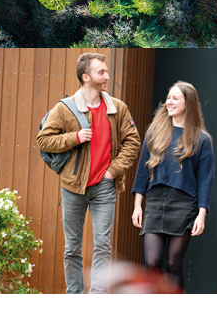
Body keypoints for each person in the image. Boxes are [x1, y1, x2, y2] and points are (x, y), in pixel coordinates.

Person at [37, 53, 142, 294]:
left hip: (104, 186)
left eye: (106, 71)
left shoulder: (118, 108)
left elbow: (133, 141)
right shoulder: (65, 109)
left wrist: (113, 170)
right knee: (72, 248)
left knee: (103, 246)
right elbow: (44, 140)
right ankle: (74, 296)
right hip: (73, 186)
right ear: (86, 77)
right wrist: (74, 137)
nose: (107, 76)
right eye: (101, 72)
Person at [129, 82, 214, 291]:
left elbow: (205, 180)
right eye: (169, 97)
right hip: (155, 203)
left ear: (188, 103)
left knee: (173, 264)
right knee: (152, 263)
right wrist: (138, 205)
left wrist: (201, 215)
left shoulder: (202, 139)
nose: (169, 102)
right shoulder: (155, 132)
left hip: (184, 206)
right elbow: (142, 170)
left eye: (175, 98)